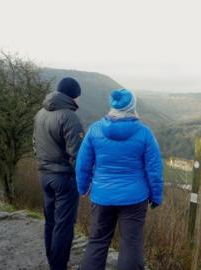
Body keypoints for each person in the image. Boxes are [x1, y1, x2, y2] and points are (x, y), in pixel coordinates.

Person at [76, 88, 163, 270]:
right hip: (134, 198)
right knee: (131, 244)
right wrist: (156, 196)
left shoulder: (94, 130)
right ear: (132, 107)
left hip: (102, 197)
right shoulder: (144, 133)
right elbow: (154, 169)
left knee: (97, 241)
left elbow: (83, 164)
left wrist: (83, 188)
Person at [33, 77, 84, 270]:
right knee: (64, 224)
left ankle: (52, 259)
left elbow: (35, 144)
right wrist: (84, 180)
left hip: (44, 175)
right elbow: (78, 154)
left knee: (51, 220)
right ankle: (59, 265)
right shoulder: (69, 117)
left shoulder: (40, 113)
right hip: (63, 177)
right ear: (73, 95)